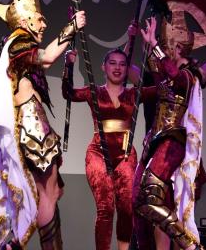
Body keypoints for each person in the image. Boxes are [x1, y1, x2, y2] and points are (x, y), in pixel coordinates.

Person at [0, 0, 86, 250]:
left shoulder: (10, 46)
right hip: (31, 126)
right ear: (25, 19)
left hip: (30, 125)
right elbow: (48, 57)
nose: (43, 25)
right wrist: (72, 26)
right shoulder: (18, 44)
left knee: (49, 193)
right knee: (48, 195)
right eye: (39, 19)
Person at [132, 16, 206, 250]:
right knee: (138, 203)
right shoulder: (164, 75)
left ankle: (192, 247)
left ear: (179, 47)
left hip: (174, 144)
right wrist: (147, 43)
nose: (165, 46)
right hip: (156, 143)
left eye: (168, 43)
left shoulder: (190, 76)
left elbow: (174, 75)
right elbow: (157, 71)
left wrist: (154, 47)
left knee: (155, 201)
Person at [62, 47, 155, 250]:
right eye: (112, 63)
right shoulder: (94, 91)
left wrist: (153, 45)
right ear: (103, 67)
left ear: (127, 69)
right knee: (105, 208)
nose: (117, 67)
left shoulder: (134, 94)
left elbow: (163, 88)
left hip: (125, 153)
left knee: (127, 207)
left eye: (122, 64)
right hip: (98, 153)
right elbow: (67, 93)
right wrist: (68, 65)